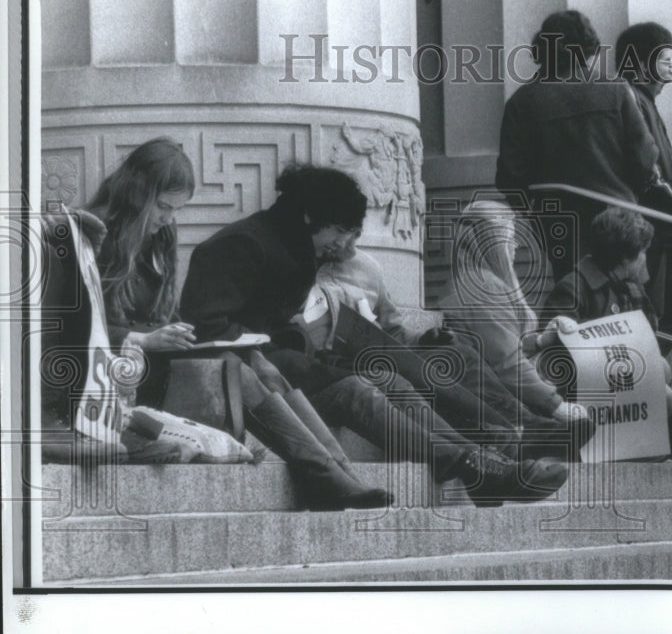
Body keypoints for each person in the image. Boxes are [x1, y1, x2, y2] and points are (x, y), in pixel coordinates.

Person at [180, 164, 568, 505]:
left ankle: (484, 463)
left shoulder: (299, 250)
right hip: (256, 372)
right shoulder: (243, 244)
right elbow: (207, 327)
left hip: (293, 363)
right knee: (357, 390)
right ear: (309, 217)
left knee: (392, 378)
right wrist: (277, 342)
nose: (347, 244)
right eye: (342, 232)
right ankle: (473, 463)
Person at [86, 137, 390, 510]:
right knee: (235, 367)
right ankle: (324, 475)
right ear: (136, 194)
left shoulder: (159, 236)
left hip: (152, 360)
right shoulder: (93, 235)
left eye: (176, 210)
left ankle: (337, 471)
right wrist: (145, 339)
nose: (168, 219)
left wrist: (173, 334)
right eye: (163, 207)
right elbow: (82, 330)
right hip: (117, 371)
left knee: (262, 363)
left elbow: (161, 315)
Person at [308, 231, 574, 441]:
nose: (352, 246)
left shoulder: (367, 267)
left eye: (357, 234)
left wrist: (424, 339)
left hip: (380, 352)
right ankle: (507, 434)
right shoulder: (295, 270)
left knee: (456, 354)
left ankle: (522, 424)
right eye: (344, 232)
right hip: (334, 366)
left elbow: (394, 330)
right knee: (411, 377)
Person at [543, 208, 672, 462]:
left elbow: (648, 339)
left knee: (662, 374)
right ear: (624, 258)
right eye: (642, 253)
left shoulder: (630, 288)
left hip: (619, 384)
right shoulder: (572, 287)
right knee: (664, 386)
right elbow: (552, 360)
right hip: (584, 395)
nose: (645, 259)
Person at [495, 9, 665, 282]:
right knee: (628, 297)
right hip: (619, 216)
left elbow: (509, 177)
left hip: (561, 224)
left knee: (577, 294)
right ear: (588, 46)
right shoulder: (616, 89)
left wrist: (537, 212)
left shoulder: (522, 102)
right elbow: (646, 160)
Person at [439, 200, 594, 458]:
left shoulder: (478, 282)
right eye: (510, 238)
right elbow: (506, 362)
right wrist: (555, 405)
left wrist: (542, 341)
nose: (516, 246)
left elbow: (504, 346)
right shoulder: (481, 288)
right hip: (498, 406)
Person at [614, 22, 672, 348]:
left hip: (668, 227)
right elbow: (647, 169)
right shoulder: (630, 98)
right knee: (658, 309)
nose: (669, 73)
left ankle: (649, 372)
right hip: (654, 226)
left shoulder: (644, 101)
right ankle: (646, 377)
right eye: (665, 62)